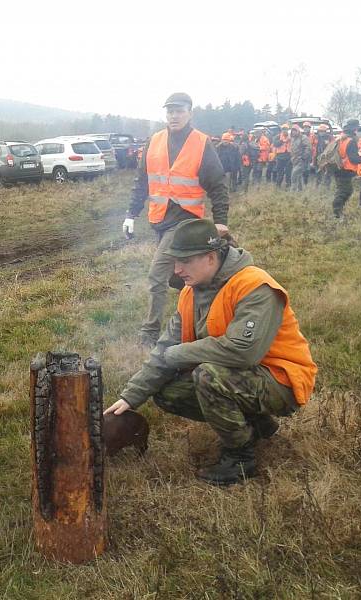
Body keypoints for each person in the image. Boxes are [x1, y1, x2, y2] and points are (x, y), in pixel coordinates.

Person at [105, 219, 316, 486]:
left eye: (185, 261)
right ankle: (258, 424)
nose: (177, 269)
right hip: (243, 377)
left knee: (207, 376)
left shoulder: (254, 286)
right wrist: (131, 396)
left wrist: (178, 354)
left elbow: (243, 353)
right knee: (167, 392)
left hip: (282, 381)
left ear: (210, 257)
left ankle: (240, 457)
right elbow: (165, 348)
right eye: (174, 261)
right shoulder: (190, 293)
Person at [122, 92, 230, 348]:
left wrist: (221, 220)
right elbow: (142, 182)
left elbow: (217, 184)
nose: (174, 115)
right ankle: (199, 319)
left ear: (189, 112)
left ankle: (149, 333)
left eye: (179, 110)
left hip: (185, 221)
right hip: (159, 220)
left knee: (156, 275)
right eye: (170, 111)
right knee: (180, 277)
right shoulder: (154, 141)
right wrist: (130, 213)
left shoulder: (201, 143)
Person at [333, 119, 361, 218]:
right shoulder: (351, 141)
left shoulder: (340, 139)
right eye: (356, 128)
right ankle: (337, 212)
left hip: (338, 168)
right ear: (354, 129)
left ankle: (339, 210)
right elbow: (353, 159)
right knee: (344, 191)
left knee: (346, 190)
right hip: (345, 170)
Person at [289, 124, 312, 192]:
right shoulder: (293, 139)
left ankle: (292, 191)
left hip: (301, 160)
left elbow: (308, 148)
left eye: (295, 130)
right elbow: (293, 149)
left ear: (298, 131)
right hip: (294, 160)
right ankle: (300, 191)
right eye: (292, 131)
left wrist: (303, 157)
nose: (293, 132)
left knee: (294, 174)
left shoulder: (303, 137)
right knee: (298, 176)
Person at [314, 124, 334, 189]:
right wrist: (314, 159)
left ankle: (327, 187)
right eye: (320, 131)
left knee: (328, 172)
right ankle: (317, 186)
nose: (321, 132)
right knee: (318, 172)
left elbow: (333, 148)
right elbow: (315, 148)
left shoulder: (330, 138)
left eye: (322, 131)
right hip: (318, 157)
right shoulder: (316, 138)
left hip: (327, 158)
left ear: (325, 131)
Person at [273, 123, 292, 189]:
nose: (285, 130)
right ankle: (278, 186)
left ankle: (288, 186)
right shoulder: (277, 137)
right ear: (281, 130)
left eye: (286, 129)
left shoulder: (291, 137)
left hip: (289, 157)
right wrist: (282, 141)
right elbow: (275, 144)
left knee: (288, 173)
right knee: (280, 173)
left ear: (288, 129)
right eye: (283, 129)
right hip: (280, 157)